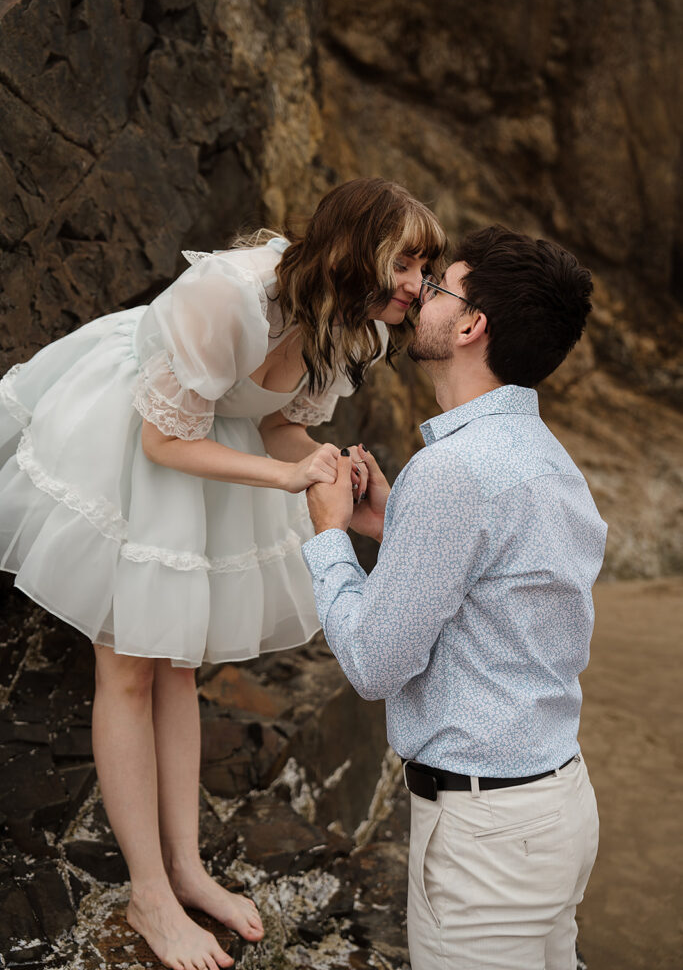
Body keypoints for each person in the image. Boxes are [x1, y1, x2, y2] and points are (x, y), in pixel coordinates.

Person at [0, 178, 447, 970]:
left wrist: (315, 465)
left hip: (217, 446)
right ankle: (148, 895)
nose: (420, 285)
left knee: (178, 665)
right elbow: (162, 442)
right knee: (129, 668)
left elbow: (274, 422)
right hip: (138, 434)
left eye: (426, 267)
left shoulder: (353, 328)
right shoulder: (227, 298)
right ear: (356, 253)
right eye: (407, 264)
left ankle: (186, 870)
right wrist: (286, 480)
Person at [303, 225, 607, 970]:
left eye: (438, 288)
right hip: (556, 803)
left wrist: (329, 538)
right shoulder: (540, 455)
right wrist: (393, 526)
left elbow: (375, 666)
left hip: (487, 831)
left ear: (471, 325)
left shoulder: (454, 472)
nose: (418, 295)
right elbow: (502, 594)